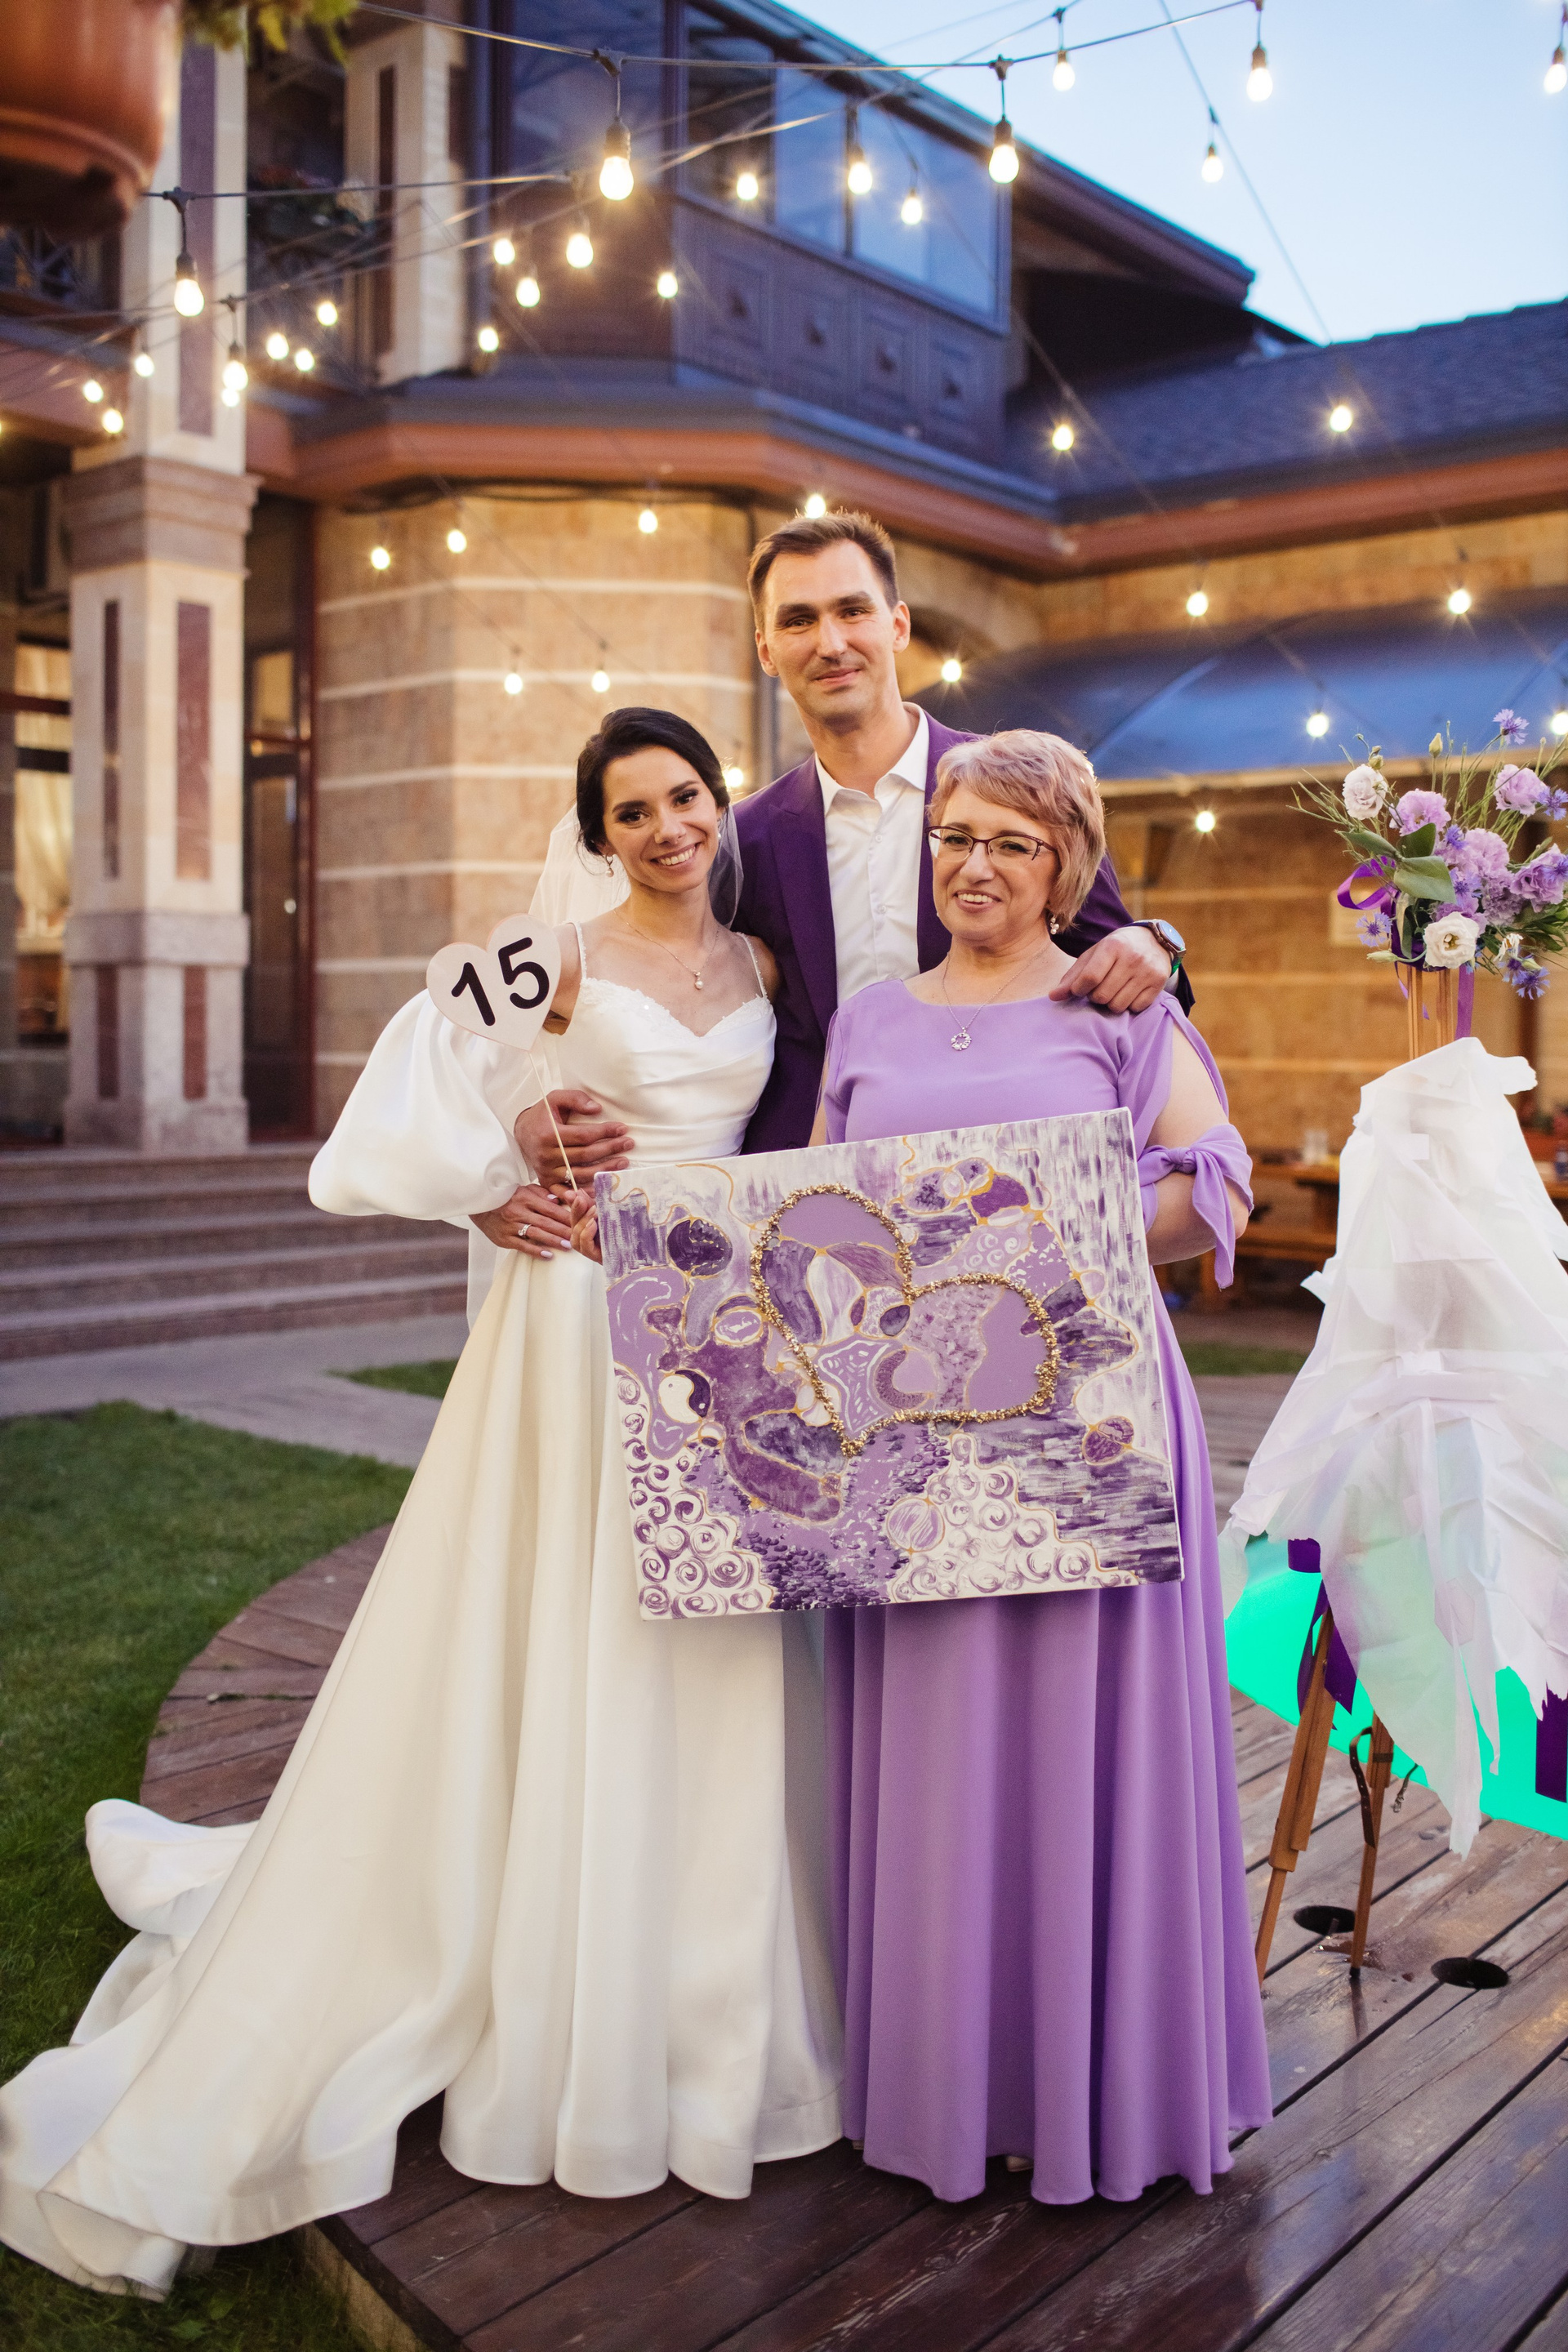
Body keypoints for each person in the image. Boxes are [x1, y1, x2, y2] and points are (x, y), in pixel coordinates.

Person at [0, 710, 841, 2299]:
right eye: (632, 810)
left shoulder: (766, 967)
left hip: (712, 1337)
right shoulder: (550, 958)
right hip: (576, 1328)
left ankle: (699, 1985)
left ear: (719, 804)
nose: (667, 826)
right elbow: (405, 1073)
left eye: (685, 796)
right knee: (570, 1630)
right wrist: (498, 1168)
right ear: (596, 834)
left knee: (709, 1651)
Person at [814, 728, 1272, 2207]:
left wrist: (1027, 1240)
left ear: (1065, 866)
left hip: (1091, 1429)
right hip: (913, 1451)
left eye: (1014, 843)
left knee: (1085, 1751)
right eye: (956, 835)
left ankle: (1099, 2092)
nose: (977, 865)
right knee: (941, 1757)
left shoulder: (1119, 1008)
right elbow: (815, 1219)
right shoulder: (866, 1023)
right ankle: (947, 2085)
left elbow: (1214, 1187)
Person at [506, 508, 1187, 1267]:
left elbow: (1117, 958)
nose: (830, 643)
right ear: (766, 649)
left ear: (897, 624)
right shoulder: (742, 839)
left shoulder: (1013, 789)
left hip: (1000, 1187)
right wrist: (527, 1115)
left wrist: (1159, 943)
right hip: (807, 1210)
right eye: (799, 620)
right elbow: (656, 978)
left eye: (852, 610)